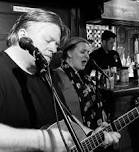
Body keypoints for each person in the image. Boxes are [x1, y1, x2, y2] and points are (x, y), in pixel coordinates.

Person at [0, 9, 120, 152]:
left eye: (56, 44)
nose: (54, 49)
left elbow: (66, 119)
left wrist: (89, 134)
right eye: (48, 40)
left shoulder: (47, 74)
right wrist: (43, 140)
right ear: (23, 36)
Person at [53, 37, 121, 151]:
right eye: (82, 52)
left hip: (97, 136)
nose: (87, 56)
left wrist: (103, 123)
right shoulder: (58, 76)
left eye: (88, 52)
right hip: (80, 142)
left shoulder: (84, 75)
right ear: (69, 53)